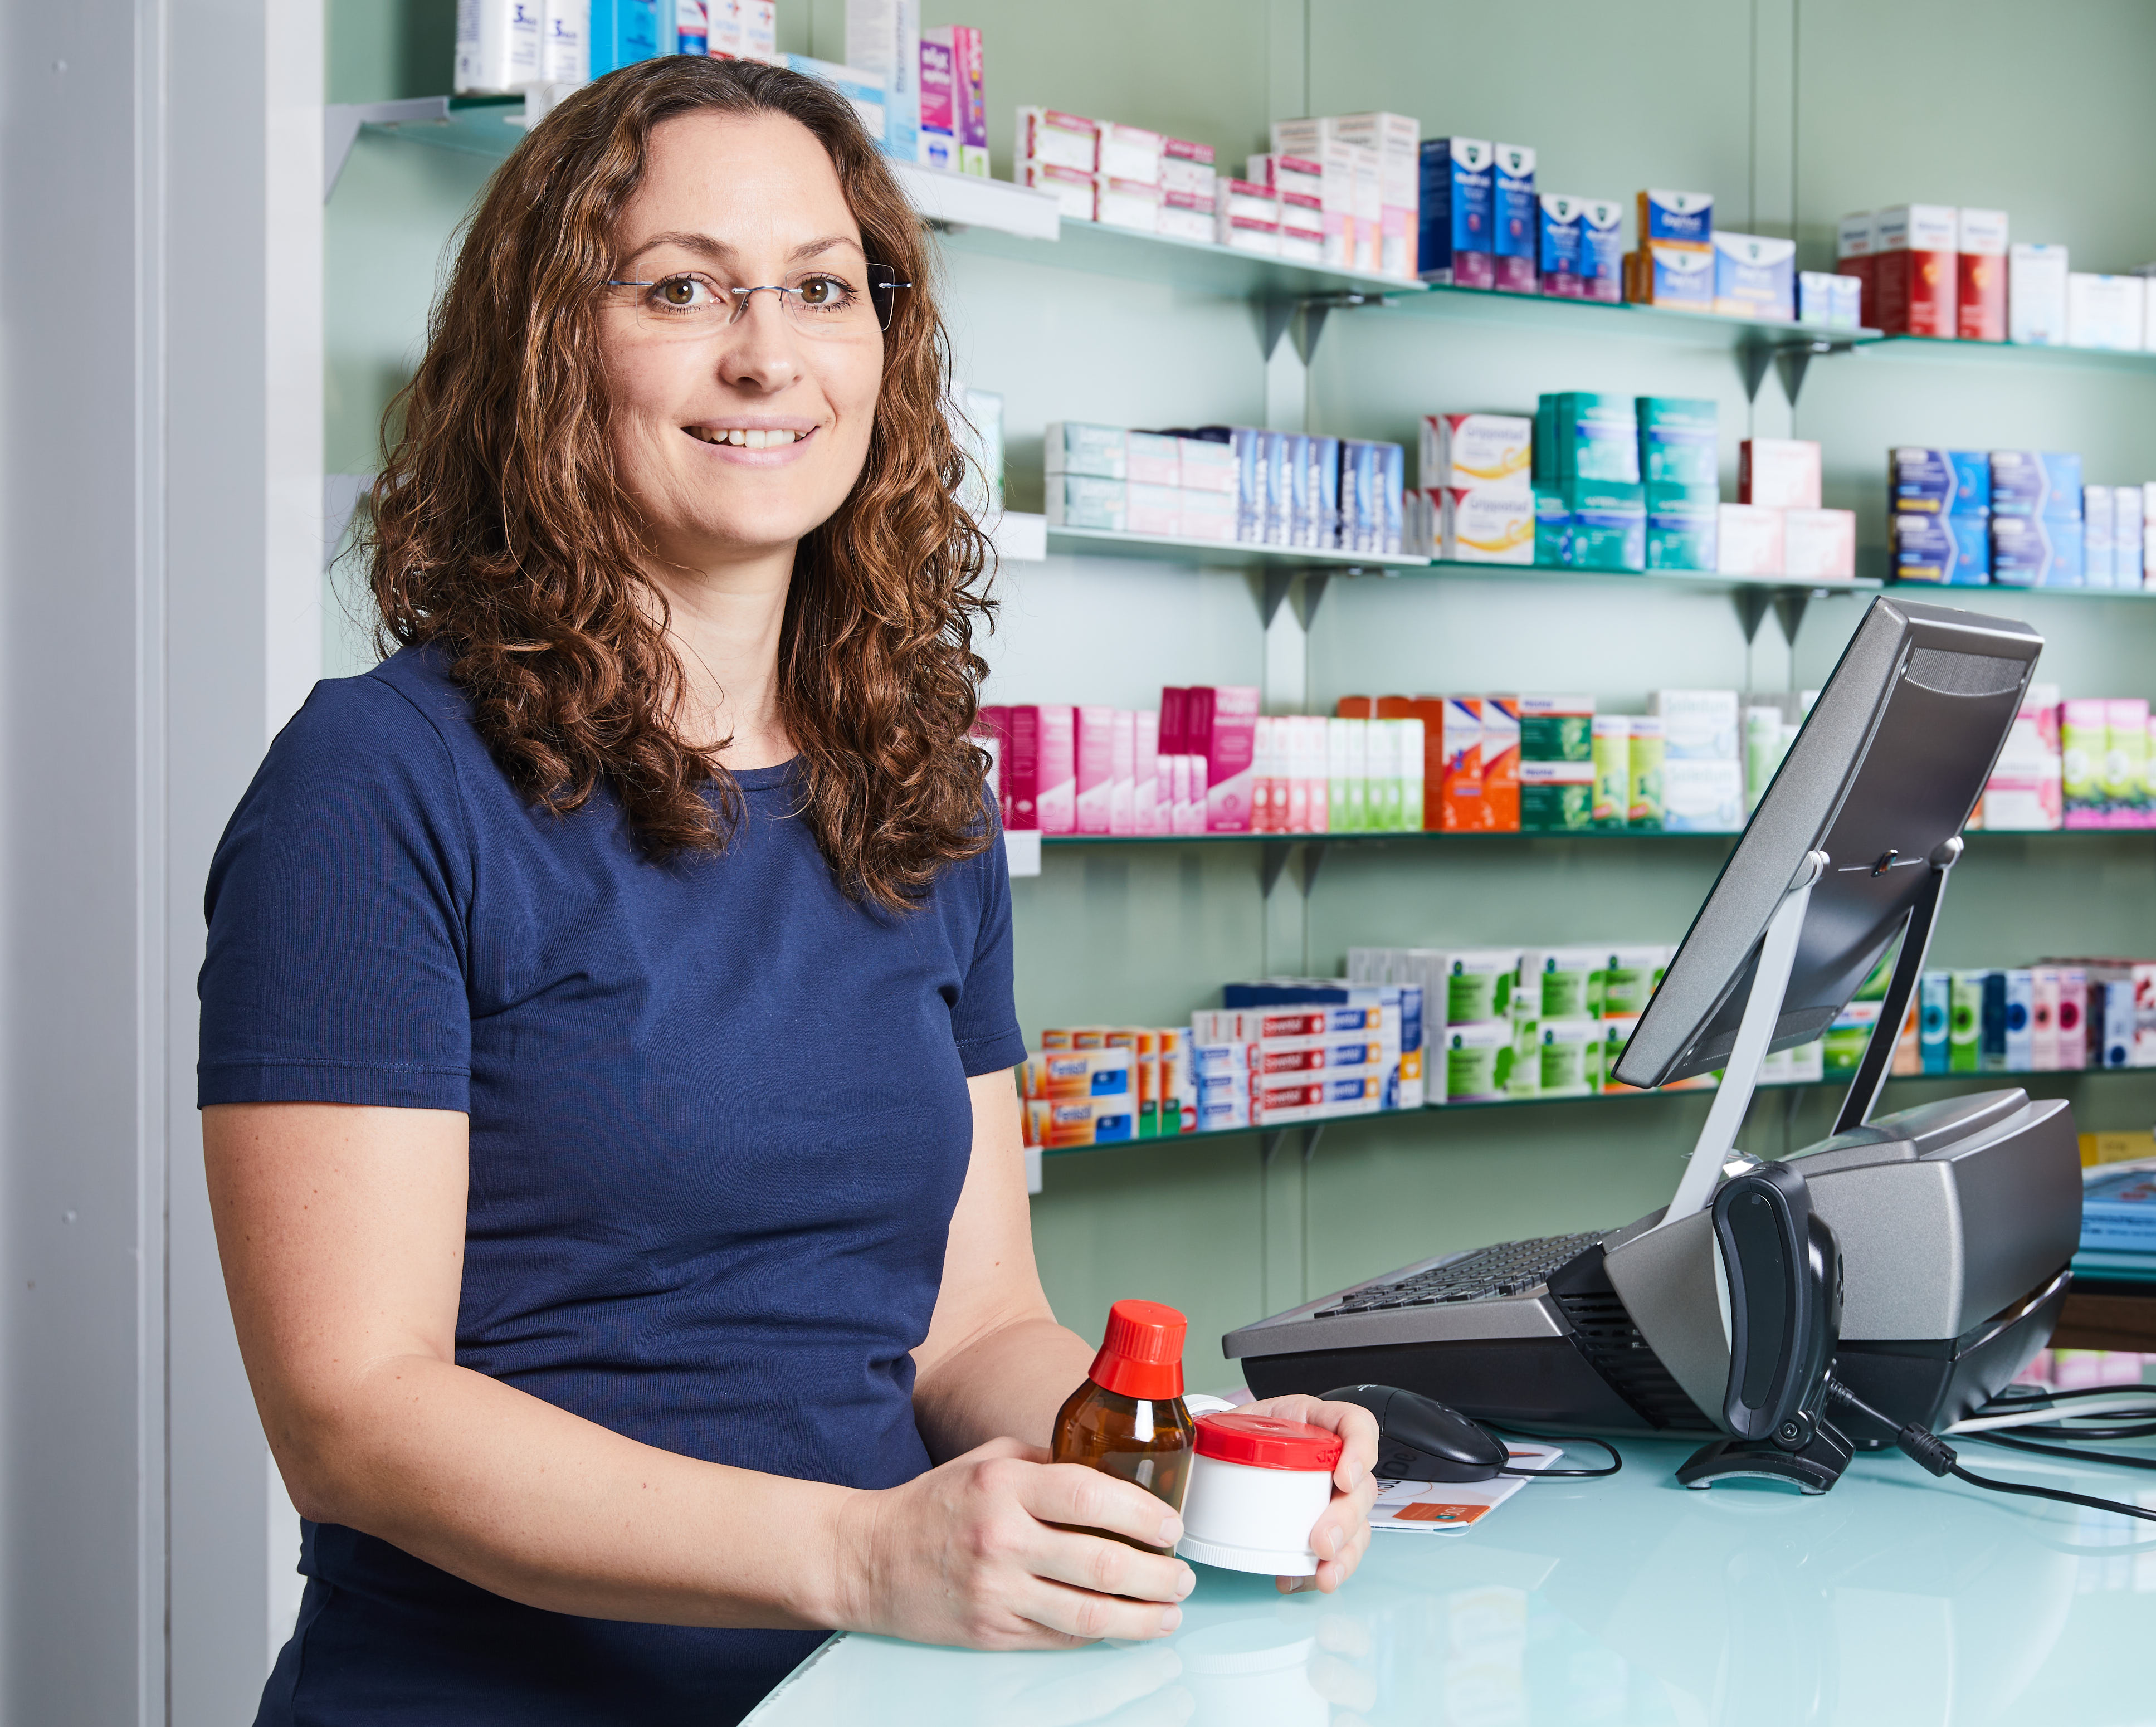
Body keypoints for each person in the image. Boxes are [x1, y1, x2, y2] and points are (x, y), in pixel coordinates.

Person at [199, 56, 1377, 1726]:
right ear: (549, 351)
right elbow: (355, 1409)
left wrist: (1200, 1455)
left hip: (876, 1692)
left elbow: (975, 1329)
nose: (769, 353)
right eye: (681, 288)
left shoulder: (922, 788)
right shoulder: (379, 785)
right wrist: (856, 1552)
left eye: (826, 288)